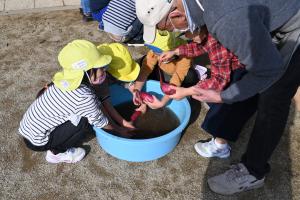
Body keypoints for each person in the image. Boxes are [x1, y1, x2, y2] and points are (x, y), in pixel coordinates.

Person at [136, 0, 300, 195]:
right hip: (272, 16)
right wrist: (178, 50)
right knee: (250, 83)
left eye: (165, 28)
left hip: (294, 24)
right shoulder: (207, 15)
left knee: (272, 97)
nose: (172, 33)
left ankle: (253, 171)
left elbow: (266, 71)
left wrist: (218, 96)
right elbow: (202, 45)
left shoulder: (224, 21)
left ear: (175, 15)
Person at [18, 40, 134, 164]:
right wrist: (118, 131)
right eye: (100, 67)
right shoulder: (83, 96)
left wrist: (122, 124)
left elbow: (98, 104)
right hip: (39, 140)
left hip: (28, 129)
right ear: (86, 72)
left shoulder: (66, 81)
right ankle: (56, 153)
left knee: (88, 111)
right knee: (84, 122)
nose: (104, 71)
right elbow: (101, 122)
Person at [159, 26, 251, 159]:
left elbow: (219, 81)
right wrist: (176, 51)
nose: (189, 38)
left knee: (226, 109)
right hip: (239, 63)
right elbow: (200, 46)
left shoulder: (218, 40)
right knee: (221, 99)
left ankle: (220, 147)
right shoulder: (207, 29)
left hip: (246, 69)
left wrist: (186, 91)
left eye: (187, 34)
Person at [132, 30, 198, 109]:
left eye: (163, 56)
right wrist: (136, 90)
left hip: (178, 75)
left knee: (191, 76)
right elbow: (145, 70)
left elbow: (177, 78)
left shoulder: (185, 56)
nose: (159, 58)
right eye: (157, 54)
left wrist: (162, 102)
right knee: (145, 62)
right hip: (164, 71)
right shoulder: (154, 51)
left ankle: (185, 92)